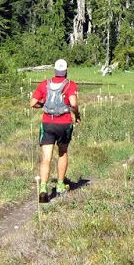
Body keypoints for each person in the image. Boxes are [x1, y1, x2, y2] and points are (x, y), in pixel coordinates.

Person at [30, 58, 81, 202]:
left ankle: (44, 188)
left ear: (55, 70)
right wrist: (76, 115)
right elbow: (73, 104)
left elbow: (32, 103)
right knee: (62, 153)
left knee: (46, 157)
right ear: (66, 71)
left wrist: (44, 106)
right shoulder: (70, 85)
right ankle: (59, 185)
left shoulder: (44, 84)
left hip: (47, 123)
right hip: (64, 123)